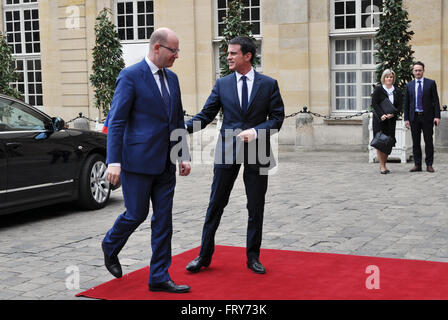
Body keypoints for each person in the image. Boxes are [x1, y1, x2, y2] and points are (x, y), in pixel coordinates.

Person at [101, 28, 192, 293]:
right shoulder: (130, 76)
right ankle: (110, 244)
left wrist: (182, 154)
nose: (176, 56)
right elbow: (116, 121)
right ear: (157, 48)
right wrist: (113, 161)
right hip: (136, 162)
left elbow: (176, 120)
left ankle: (159, 277)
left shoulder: (173, 79)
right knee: (136, 214)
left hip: (165, 163)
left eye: (177, 51)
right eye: (173, 51)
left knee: (164, 220)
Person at [184, 36, 284, 274]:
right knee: (215, 204)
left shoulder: (269, 84)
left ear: (247, 56)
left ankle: (253, 258)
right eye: (227, 53)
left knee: (255, 206)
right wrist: (177, 127)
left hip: (258, 150)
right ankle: (204, 256)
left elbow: (277, 119)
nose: (227, 57)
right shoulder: (222, 84)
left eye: (232, 53)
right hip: (227, 150)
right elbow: (205, 116)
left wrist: (257, 131)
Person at [404, 61, 441, 172]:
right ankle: (417, 164)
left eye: (420, 70)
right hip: (414, 117)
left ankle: (429, 164)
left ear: (423, 71)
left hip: (427, 117)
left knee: (428, 141)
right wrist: (406, 118)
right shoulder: (409, 85)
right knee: (415, 142)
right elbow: (406, 103)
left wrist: (437, 116)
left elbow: (436, 101)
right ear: (413, 71)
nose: (418, 72)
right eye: (416, 70)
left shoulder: (430, 83)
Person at [371, 69, 402, 174]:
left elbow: (399, 106)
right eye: (387, 77)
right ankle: (382, 166)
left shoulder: (397, 90)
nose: (389, 79)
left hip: (391, 121)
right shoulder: (379, 90)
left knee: (388, 142)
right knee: (380, 142)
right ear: (383, 78)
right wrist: (382, 115)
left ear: (393, 79)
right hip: (379, 121)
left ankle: (384, 163)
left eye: (391, 77)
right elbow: (374, 104)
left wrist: (393, 114)